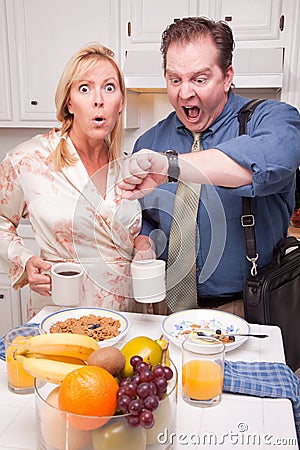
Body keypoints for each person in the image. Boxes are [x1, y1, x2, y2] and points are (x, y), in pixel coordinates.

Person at [119, 17, 300, 316]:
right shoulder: (149, 142)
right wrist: (143, 243)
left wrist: (171, 166)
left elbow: (267, 164)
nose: (184, 93)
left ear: (227, 76)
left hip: (248, 309)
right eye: (175, 79)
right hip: (165, 308)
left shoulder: (272, 119)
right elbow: (146, 217)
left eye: (199, 79)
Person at [0, 43, 154, 319]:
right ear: (69, 102)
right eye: (85, 88)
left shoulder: (129, 167)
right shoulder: (29, 160)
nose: (99, 100)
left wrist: (143, 243)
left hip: (127, 316)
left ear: (120, 103)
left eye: (109, 88)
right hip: (62, 315)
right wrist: (25, 262)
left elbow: (130, 234)